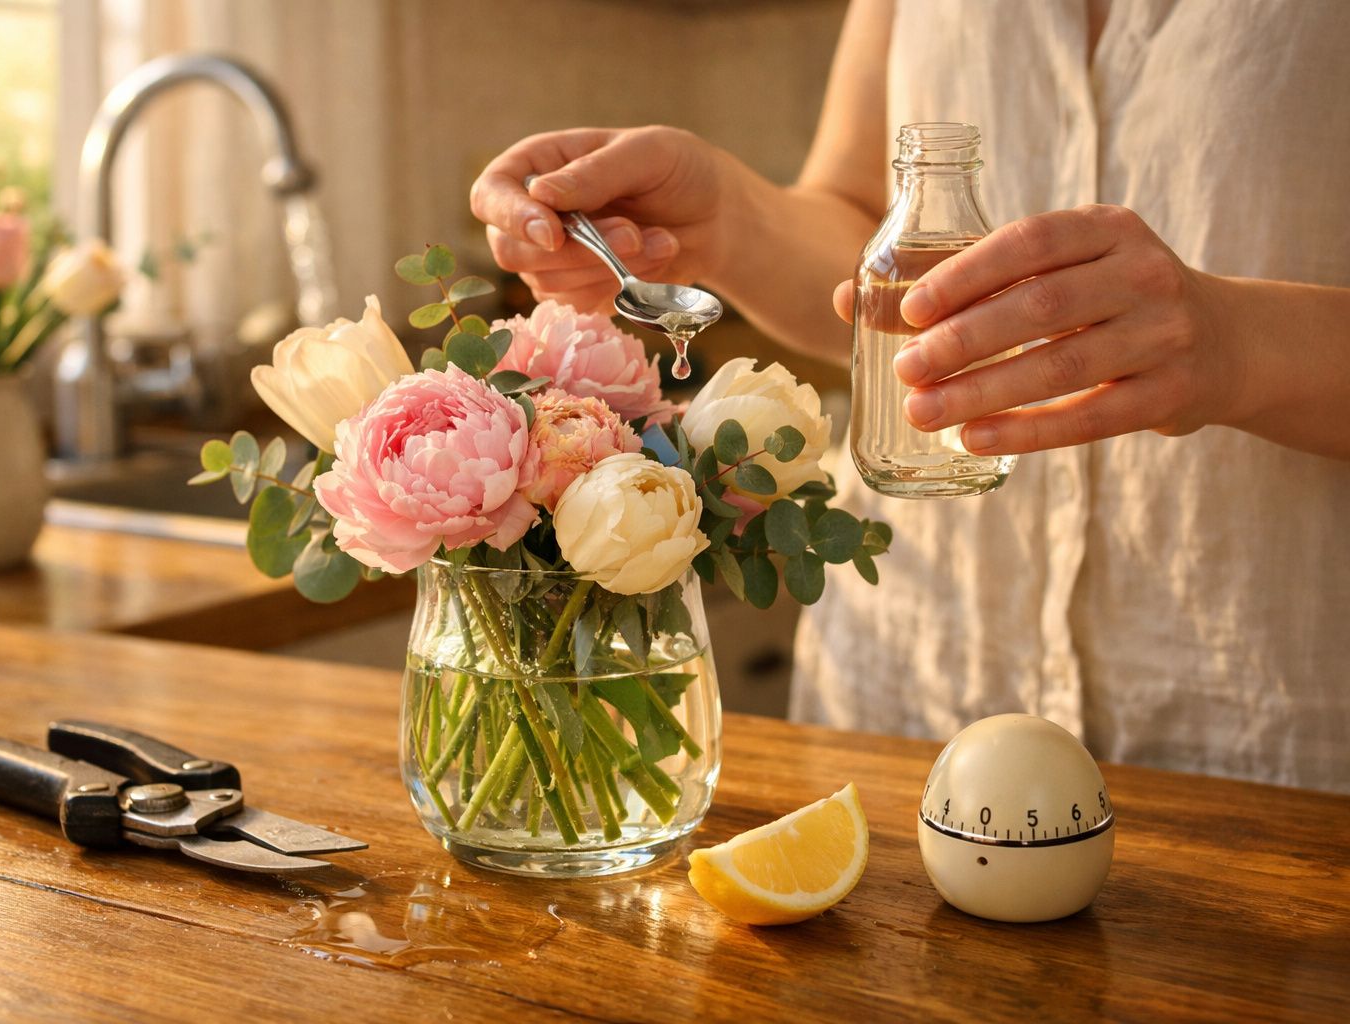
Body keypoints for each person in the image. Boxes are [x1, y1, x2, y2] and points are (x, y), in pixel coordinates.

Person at [470, 0, 1350, 794]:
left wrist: (1242, 343)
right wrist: (727, 223)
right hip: (913, 687)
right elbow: (869, 250)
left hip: (1269, 719)